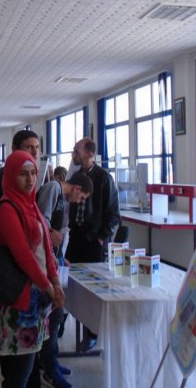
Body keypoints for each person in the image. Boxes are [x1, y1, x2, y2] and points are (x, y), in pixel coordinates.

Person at [0, 150, 64, 388]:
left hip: (37, 296)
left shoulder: (32, 206)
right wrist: (48, 286)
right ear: (11, 176)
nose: (30, 179)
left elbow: (46, 250)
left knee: (27, 367)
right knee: (18, 374)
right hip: (18, 297)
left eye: (33, 173)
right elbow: (23, 256)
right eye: (23, 174)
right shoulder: (7, 208)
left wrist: (55, 281)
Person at [35, 172, 93, 388]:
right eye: (82, 197)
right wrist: (52, 244)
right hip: (45, 263)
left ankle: (50, 361)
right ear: (76, 188)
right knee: (53, 313)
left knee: (56, 314)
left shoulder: (64, 199)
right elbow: (41, 224)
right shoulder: (53, 189)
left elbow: (59, 231)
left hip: (54, 260)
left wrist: (61, 256)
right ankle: (49, 368)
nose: (80, 202)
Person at [65, 137, 120, 351]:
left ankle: (92, 334)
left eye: (77, 150)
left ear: (89, 153)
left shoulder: (104, 179)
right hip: (75, 237)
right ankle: (60, 322)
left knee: (93, 290)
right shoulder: (75, 175)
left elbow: (113, 213)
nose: (73, 154)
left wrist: (101, 238)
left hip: (94, 241)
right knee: (66, 281)